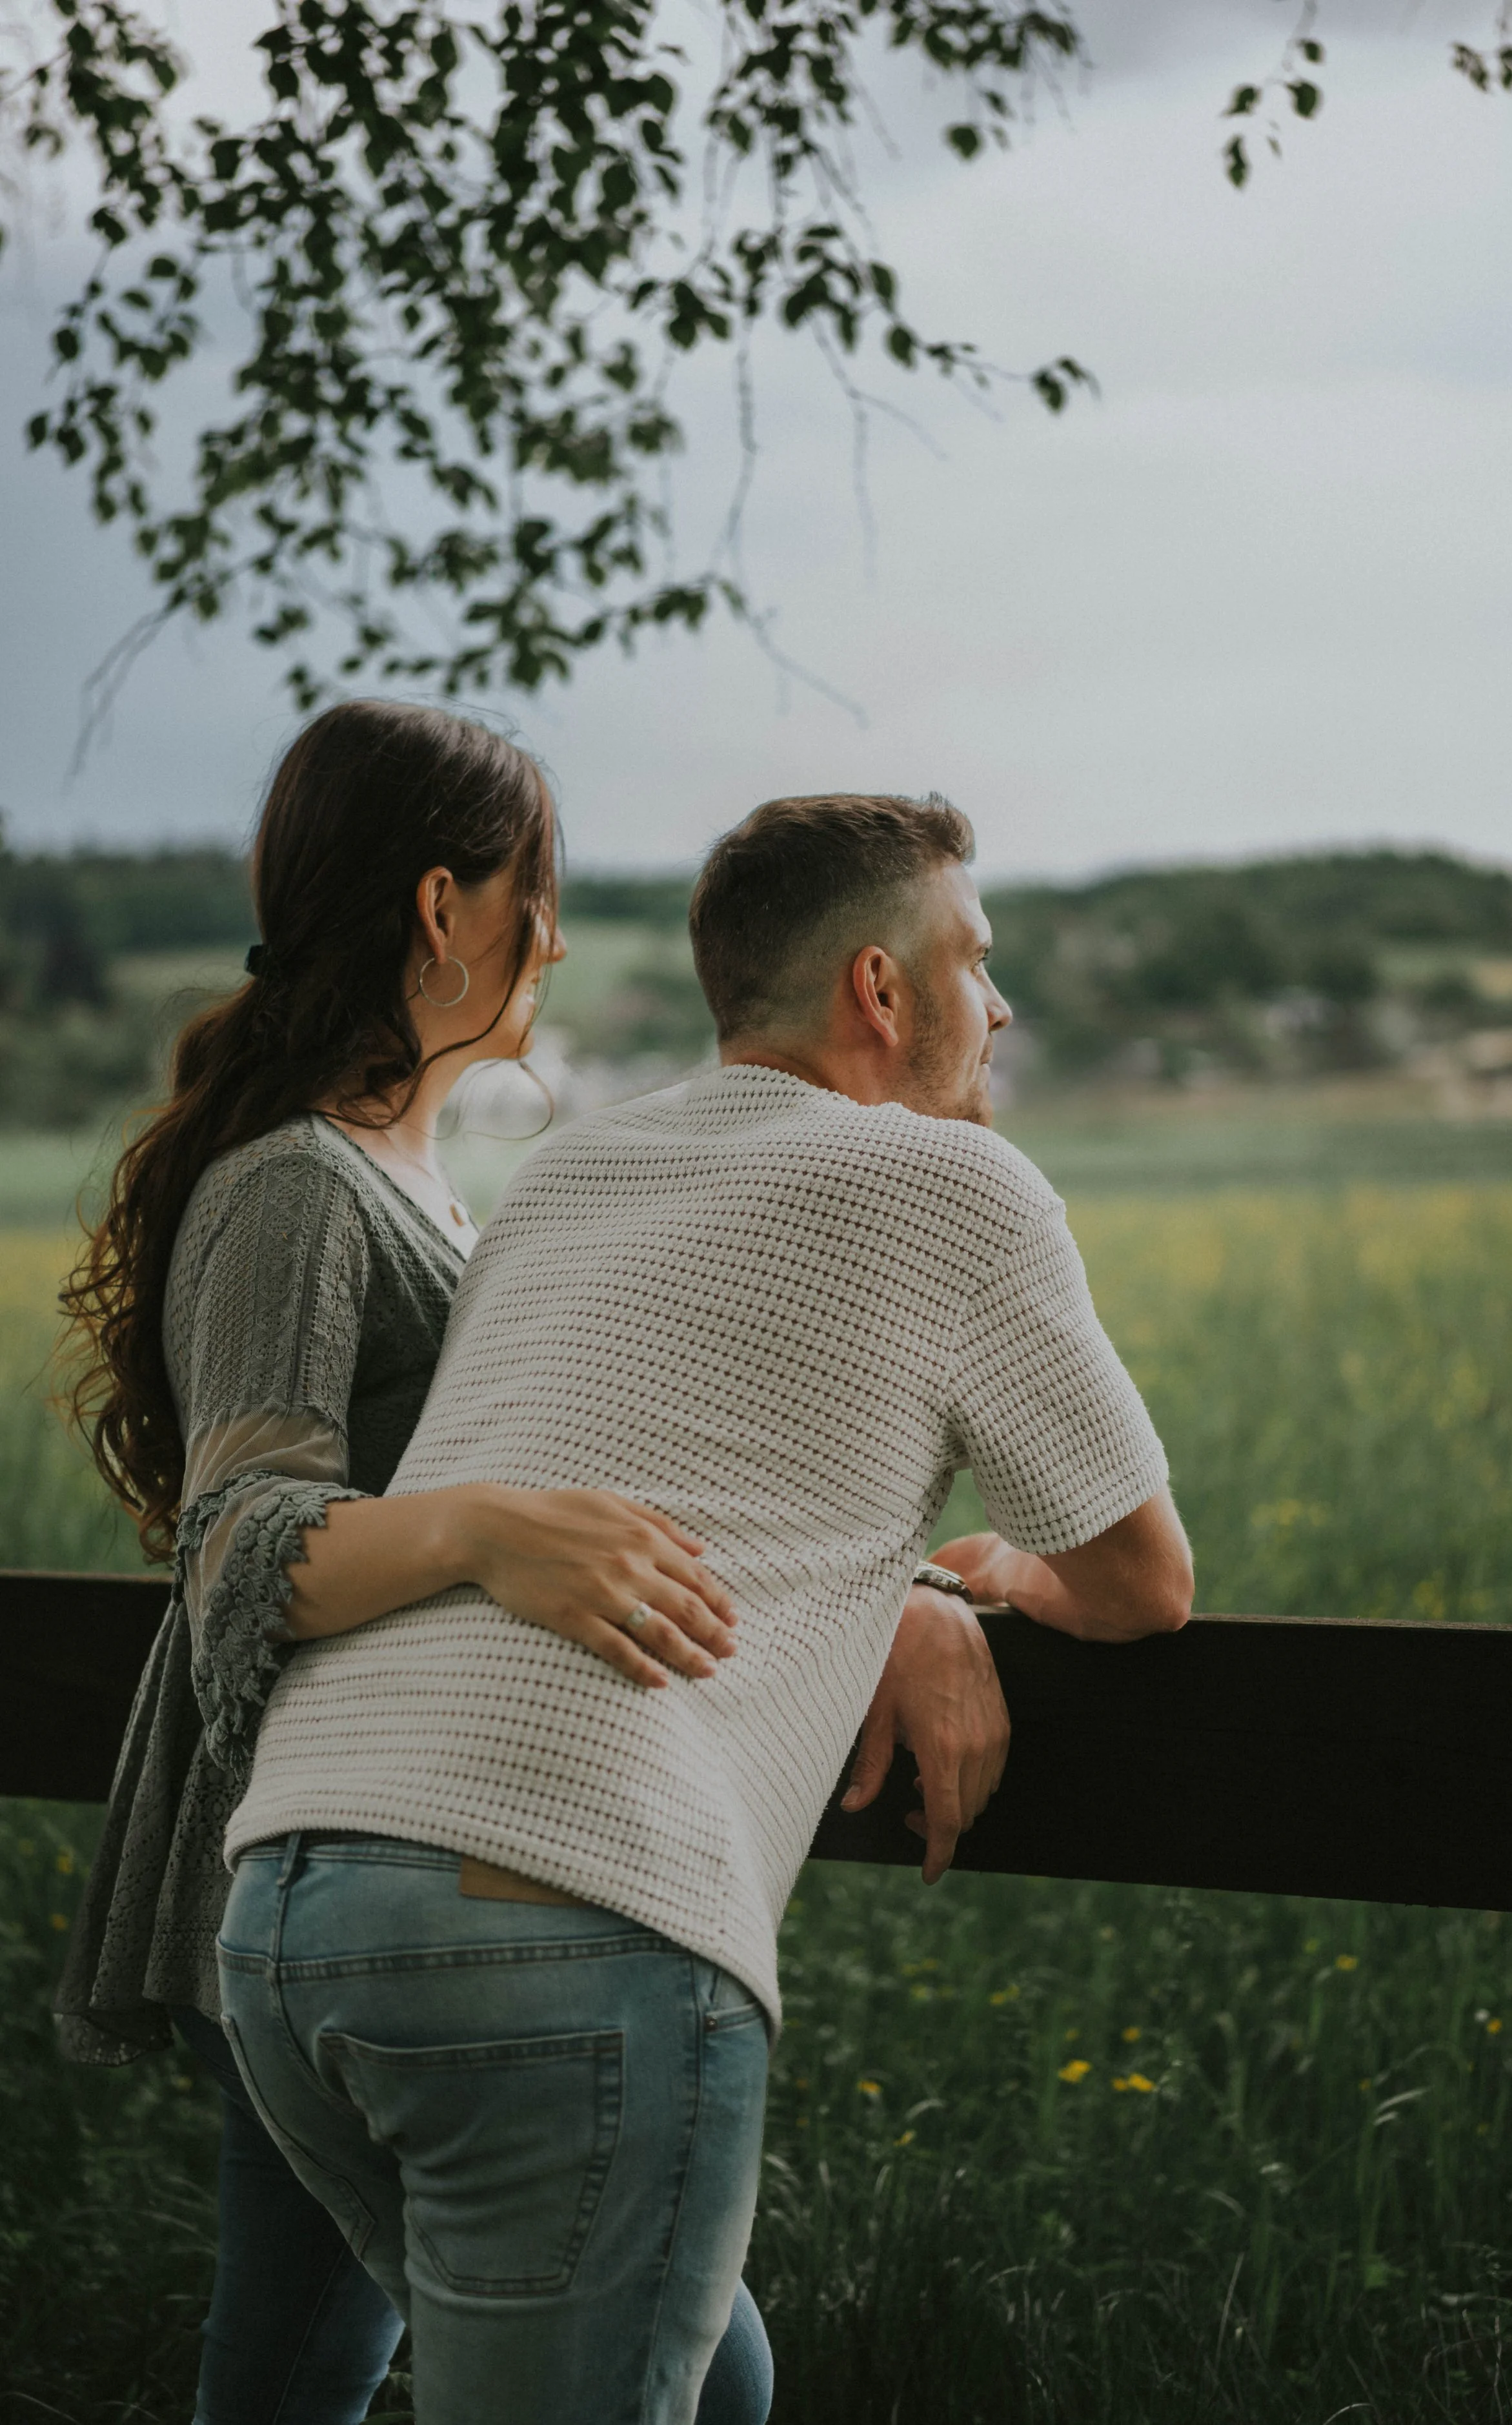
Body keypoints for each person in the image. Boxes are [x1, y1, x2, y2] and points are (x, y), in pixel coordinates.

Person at [58, 713, 1009, 2424]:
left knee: (661, 2370)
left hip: (374, 1850)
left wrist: (904, 1599)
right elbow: (238, 1551)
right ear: (446, 910)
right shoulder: (293, 1189)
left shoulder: (419, 1184)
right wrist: (489, 1529)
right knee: (314, 2374)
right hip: (296, 1847)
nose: (557, 935)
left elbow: (635, 1502)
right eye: (537, 890)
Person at [215, 787, 1194, 2425]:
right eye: (978, 956)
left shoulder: (562, 1176)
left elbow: (655, 1462)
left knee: (710, 2382)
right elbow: (1137, 1578)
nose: (999, 1003)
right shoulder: (957, 1185)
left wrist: (883, 1588)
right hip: (561, 1924)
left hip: (290, 1918)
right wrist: (977, 1574)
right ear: (881, 991)